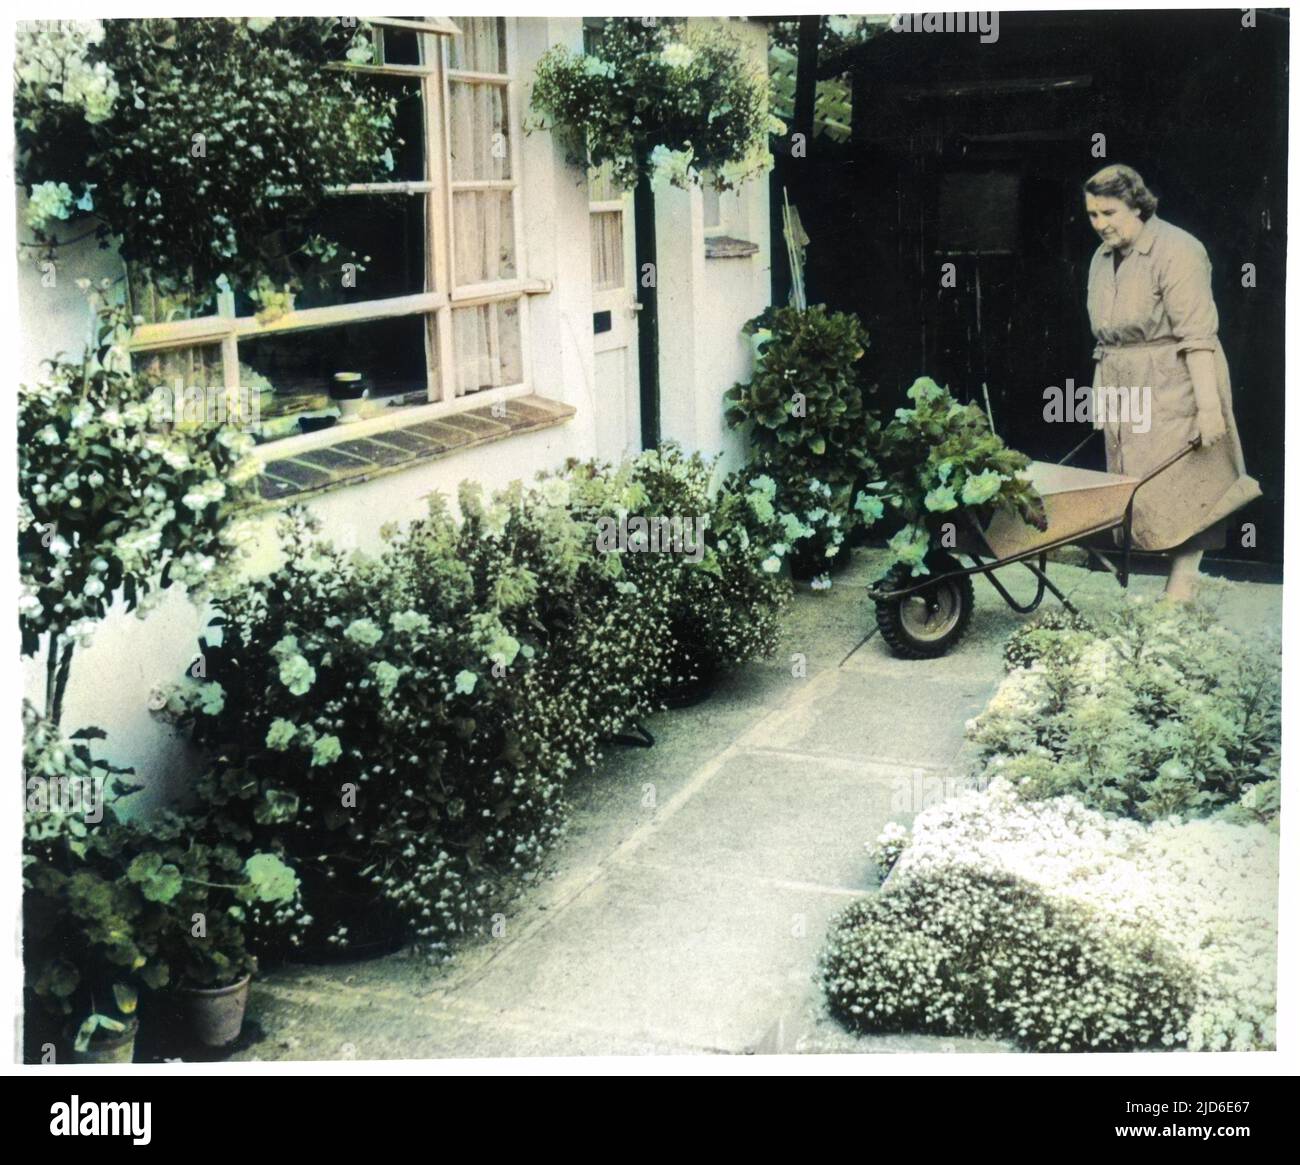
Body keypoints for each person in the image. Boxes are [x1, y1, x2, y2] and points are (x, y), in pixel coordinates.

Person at [1083, 163, 1261, 600]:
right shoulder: (1102, 258)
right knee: (1137, 487)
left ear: (1138, 207)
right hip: (1123, 382)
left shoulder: (1179, 250)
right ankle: (1160, 585)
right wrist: (1101, 399)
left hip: (1174, 383)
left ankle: (1180, 590)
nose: (1100, 224)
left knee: (1187, 481)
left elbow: (1198, 338)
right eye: (1092, 215)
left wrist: (1208, 408)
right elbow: (1105, 339)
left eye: (1109, 213)